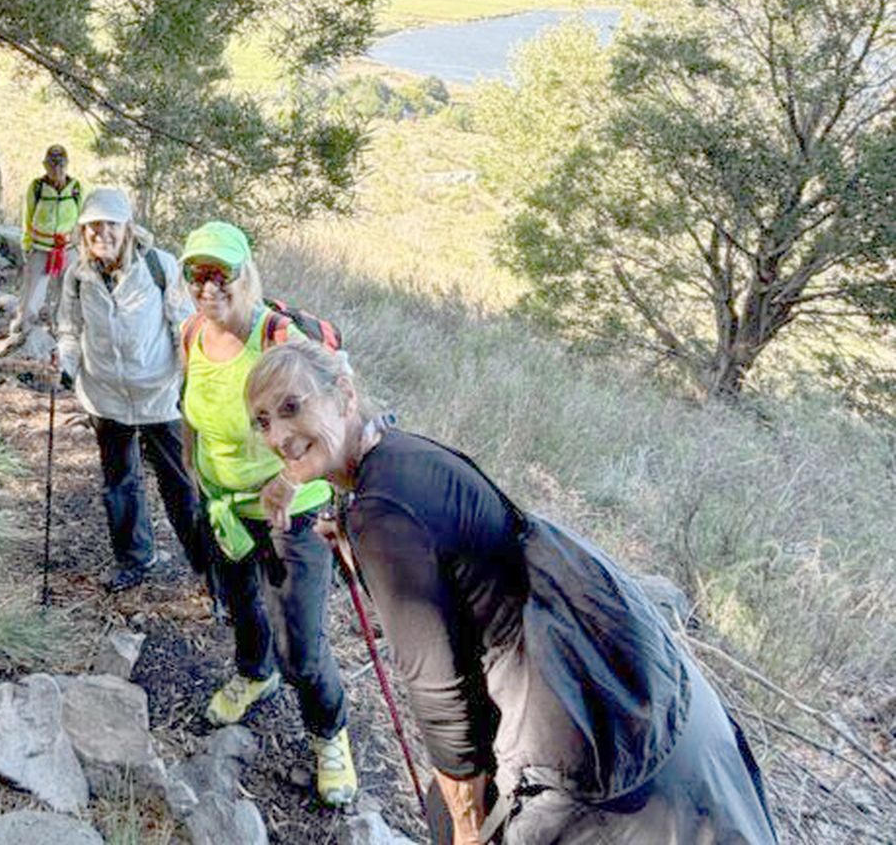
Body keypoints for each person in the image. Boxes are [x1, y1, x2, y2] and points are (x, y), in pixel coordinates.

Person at [245, 340, 780, 845]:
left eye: (292, 407)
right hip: (650, 716)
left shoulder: (381, 510)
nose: (277, 434)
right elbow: (461, 574)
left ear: (343, 393)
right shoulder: (400, 454)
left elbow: (439, 694)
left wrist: (467, 827)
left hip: (603, 775)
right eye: (263, 421)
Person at [176, 220, 357, 806]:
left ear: (245, 273)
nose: (208, 286)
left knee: (302, 644)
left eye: (220, 272)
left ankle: (330, 733)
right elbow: (193, 413)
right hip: (225, 506)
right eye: (196, 273)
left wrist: (291, 477)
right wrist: (195, 474)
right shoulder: (191, 336)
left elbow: (340, 406)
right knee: (239, 603)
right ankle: (254, 674)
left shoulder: (277, 334)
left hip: (293, 515)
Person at [56, 188, 204, 592]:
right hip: (105, 395)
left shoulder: (160, 266)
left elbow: (184, 325)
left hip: (159, 393)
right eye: (92, 227)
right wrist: (65, 363)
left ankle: (208, 569)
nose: (101, 233)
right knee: (119, 482)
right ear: (82, 231)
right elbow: (69, 328)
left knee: (181, 486)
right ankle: (135, 558)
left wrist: (191, 379)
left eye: (110, 225)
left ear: (127, 228)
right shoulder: (78, 274)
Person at [11, 144, 84, 336]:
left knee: (67, 290)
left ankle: (64, 329)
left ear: (67, 164)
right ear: (45, 165)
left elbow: (83, 218)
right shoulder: (37, 187)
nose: (57, 169)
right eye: (52, 165)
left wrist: (83, 246)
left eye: (61, 165)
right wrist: (26, 243)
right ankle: (24, 327)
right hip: (40, 247)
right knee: (32, 290)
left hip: (68, 248)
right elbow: (28, 216)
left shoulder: (75, 188)